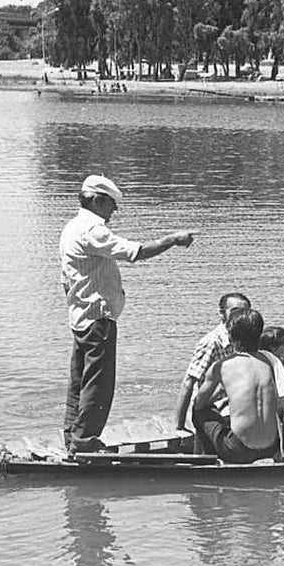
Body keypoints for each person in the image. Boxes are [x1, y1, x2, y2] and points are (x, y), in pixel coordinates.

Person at [59, 174, 196, 454]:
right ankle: (84, 444)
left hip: (81, 315)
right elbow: (136, 252)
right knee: (98, 384)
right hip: (98, 317)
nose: (114, 211)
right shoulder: (92, 230)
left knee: (80, 381)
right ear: (97, 200)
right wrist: (173, 239)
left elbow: (65, 279)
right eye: (111, 204)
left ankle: (73, 437)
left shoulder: (71, 228)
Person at [192, 308, 280, 464]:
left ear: (231, 335)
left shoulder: (222, 366)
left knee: (199, 412)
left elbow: (200, 402)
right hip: (271, 447)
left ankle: (204, 461)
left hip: (239, 450)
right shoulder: (270, 361)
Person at [172, 292, 251, 435]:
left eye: (245, 312)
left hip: (234, 405)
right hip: (212, 408)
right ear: (222, 314)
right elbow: (188, 382)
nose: (241, 315)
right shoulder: (211, 342)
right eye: (235, 311)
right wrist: (180, 426)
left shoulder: (241, 341)